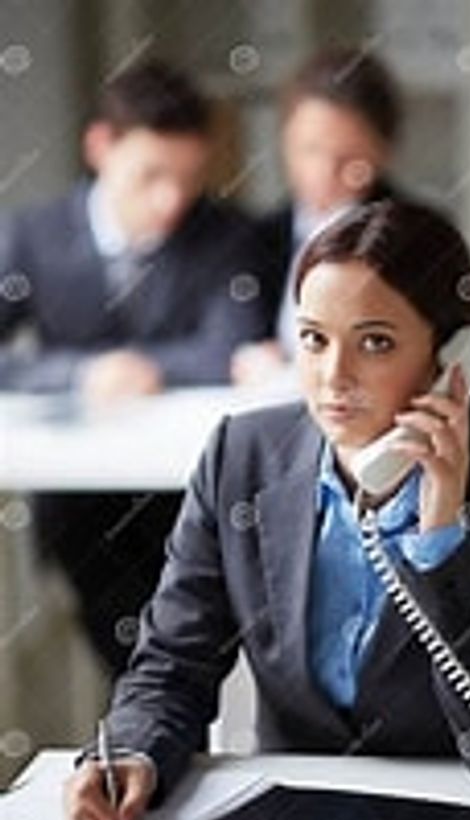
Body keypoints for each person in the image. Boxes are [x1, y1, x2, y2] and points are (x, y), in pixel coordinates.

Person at [64, 199, 470, 820]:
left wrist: (441, 535)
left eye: (375, 342)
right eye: (313, 338)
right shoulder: (241, 458)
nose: (333, 377)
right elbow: (173, 664)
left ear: (451, 357)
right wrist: (130, 754)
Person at [0, 60, 269, 674]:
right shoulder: (31, 237)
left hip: (187, 497)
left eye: (188, 178)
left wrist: (143, 367)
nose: (171, 200)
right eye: (151, 175)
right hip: (79, 500)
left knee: (194, 635)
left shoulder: (226, 236)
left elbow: (233, 348)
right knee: (127, 645)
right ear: (101, 147)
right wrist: (76, 374)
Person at [232, 47, 470, 389]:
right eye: (310, 149)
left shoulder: (417, 234)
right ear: (285, 141)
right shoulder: (257, 237)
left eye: (349, 157)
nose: (325, 172)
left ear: (383, 151)